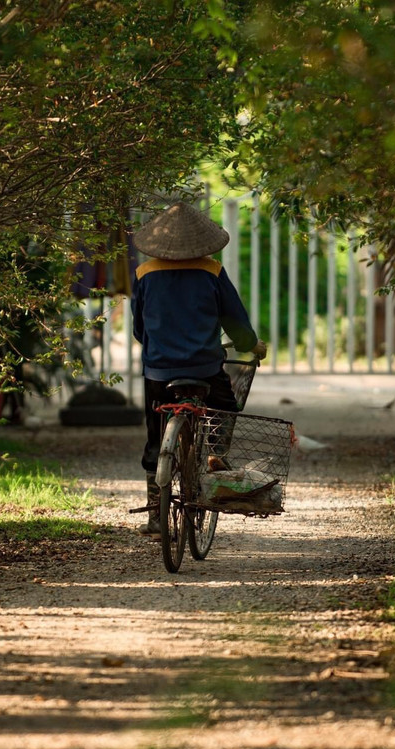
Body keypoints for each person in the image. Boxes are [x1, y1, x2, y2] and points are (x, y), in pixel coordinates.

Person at [130, 201, 267, 536]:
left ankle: (155, 514)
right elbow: (234, 321)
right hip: (205, 367)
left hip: (158, 372)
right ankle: (215, 457)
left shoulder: (144, 273)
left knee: (155, 435)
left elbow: (138, 330)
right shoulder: (211, 270)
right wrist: (253, 345)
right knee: (224, 408)